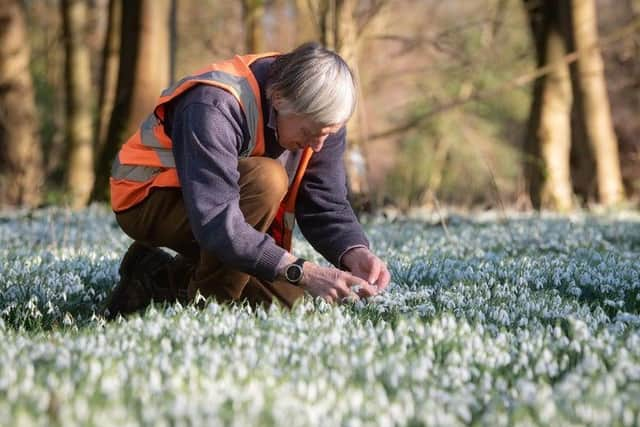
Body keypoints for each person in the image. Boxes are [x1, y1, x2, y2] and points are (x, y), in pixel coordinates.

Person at [104, 42, 390, 318]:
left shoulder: (321, 118)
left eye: (328, 133)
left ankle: (155, 275)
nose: (317, 145)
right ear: (278, 98)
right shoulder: (213, 105)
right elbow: (218, 221)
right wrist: (301, 270)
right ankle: (208, 311)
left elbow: (324, 203)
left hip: (221, 213)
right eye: (310, 132)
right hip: (148, 197)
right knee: (268, 179)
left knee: (289, 304)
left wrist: (354, 251)